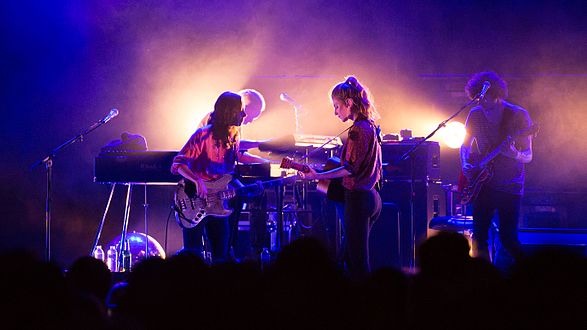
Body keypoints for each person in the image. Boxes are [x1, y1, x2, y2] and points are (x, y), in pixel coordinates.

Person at [298, 76, 382, 279]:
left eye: (336, 106)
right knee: (348, 254)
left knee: (358, 262)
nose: (335, 112)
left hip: (358, 198)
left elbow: (350, 168)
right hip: (371, 197)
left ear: (349, 103)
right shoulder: (370, 126)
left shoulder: (357, 130)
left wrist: (318, 175)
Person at [171, 91, 268, 264]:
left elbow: (231, 168)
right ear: (229, 112)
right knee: (193, 258)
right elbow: (177, 164)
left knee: (220, 257)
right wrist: (197, 180)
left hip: (217, 204)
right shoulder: (203, 135)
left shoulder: (234, 137)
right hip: (194, 199)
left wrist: (254, 184)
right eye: (241, 110)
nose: (244, 115)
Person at [460, 71, 533, 266]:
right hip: (483, 183)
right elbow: (465, 145)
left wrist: (514, 155)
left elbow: (528, 155)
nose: (482, 103)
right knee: (479, 237)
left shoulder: (518, 115)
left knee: (508, 239)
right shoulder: (475, 114)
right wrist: (465, 162)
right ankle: (484, 282)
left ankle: (531, 274)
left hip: (510, 186)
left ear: (497, 95)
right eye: (478, 99)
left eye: (486, 99)